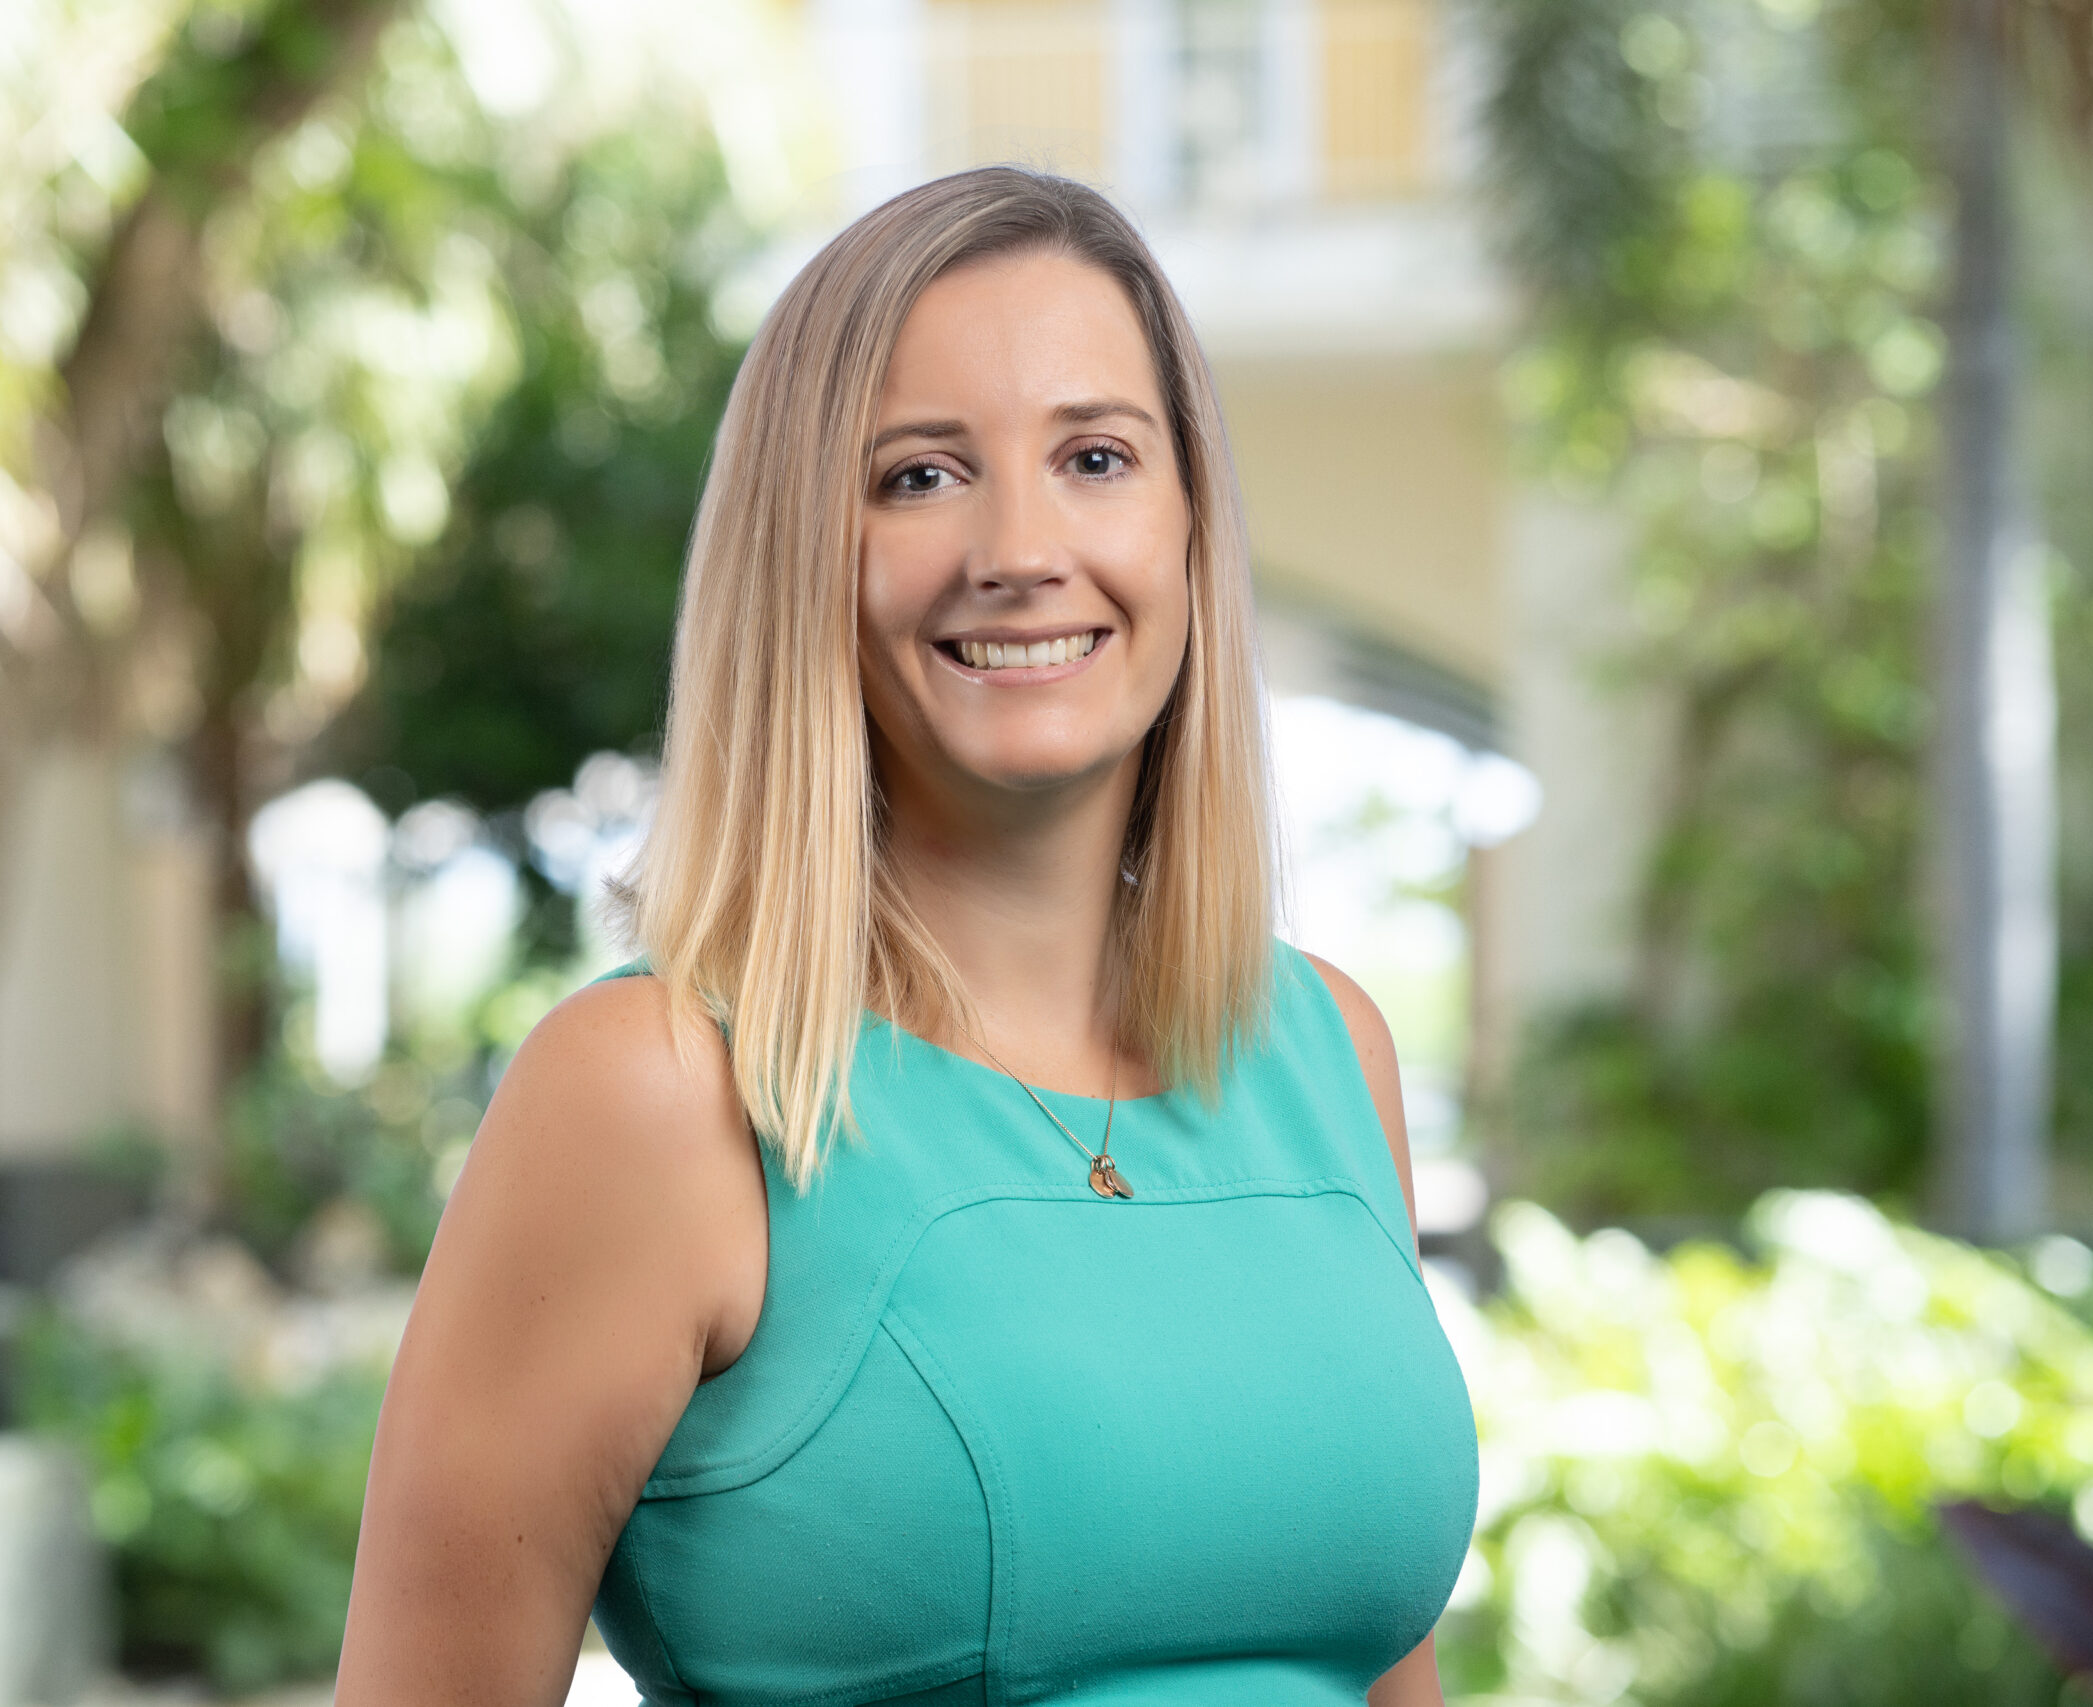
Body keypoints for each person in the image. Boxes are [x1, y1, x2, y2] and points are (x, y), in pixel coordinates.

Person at [335, 167, 1477, 1707]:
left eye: (1093, 456)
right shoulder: (657, 1092)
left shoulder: (1329, 1051)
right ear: (804, 556)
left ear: (1189, 525)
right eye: (919, 478)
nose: (1019, 547)